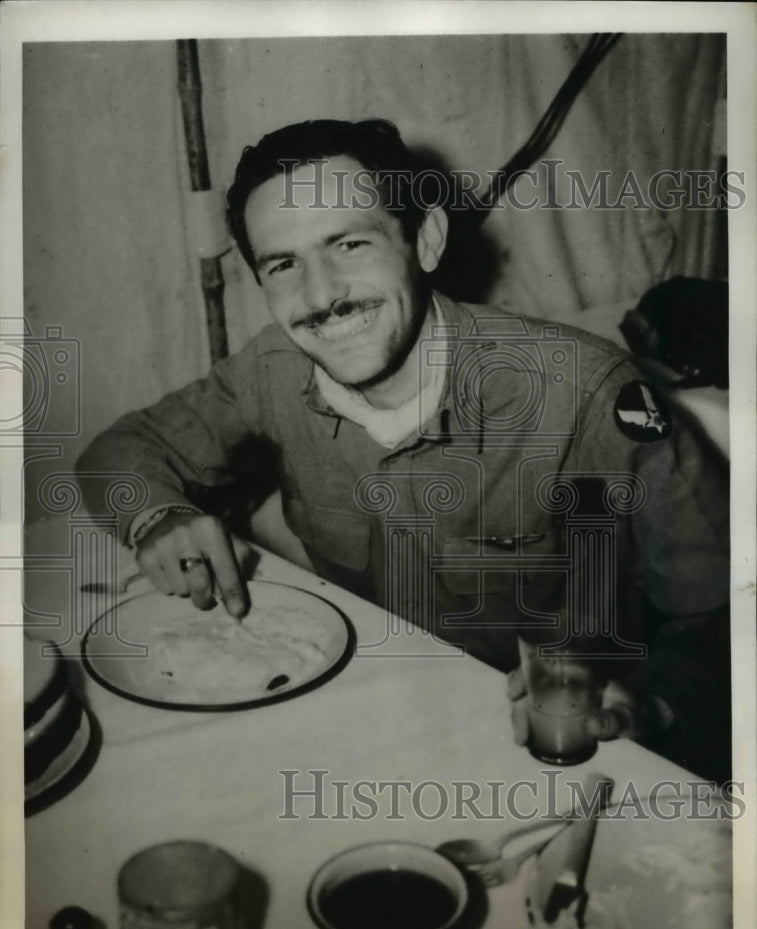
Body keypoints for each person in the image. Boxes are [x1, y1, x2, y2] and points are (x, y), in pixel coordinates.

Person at [75, 119, 731, 783]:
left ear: (426, 239)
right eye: (283, 264)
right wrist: (156, 517)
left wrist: (653, 705)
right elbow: (122, 450)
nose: (322, 295)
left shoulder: (586, 394)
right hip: (377, 718)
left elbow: (725, 605)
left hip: (567, 752)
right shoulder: (270, 369)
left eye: (350, 244)